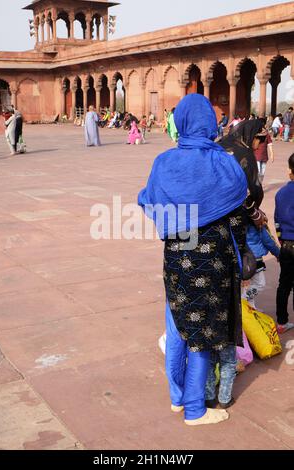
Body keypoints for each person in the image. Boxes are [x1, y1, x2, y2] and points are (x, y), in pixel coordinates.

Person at [139, 94, 248, 426]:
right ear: (210, 124)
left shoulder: (164, 162)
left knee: (176, 324)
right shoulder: (224, 163)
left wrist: (179, 215)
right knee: (202, 333)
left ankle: (176, 398)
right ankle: (196, 410)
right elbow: (239, 210)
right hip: (212, 260)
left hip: (176, 256)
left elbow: (148, 200)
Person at [275, 153, 294, 334]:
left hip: (287, 244)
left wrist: (282, 240)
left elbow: (277, 221)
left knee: (284, 284)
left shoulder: (281, 193)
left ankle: (281, 321)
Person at [244, 222, 280, 309]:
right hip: (254, 258)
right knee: (260, 284)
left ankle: (251, 307)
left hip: (241, 257)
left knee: (249, 283)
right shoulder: (258, 222)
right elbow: (268, 241)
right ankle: (243, 298)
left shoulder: (237, 220)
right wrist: (278, 254)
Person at [205, 344, 237, 410]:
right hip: (227, 337)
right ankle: (224, 399)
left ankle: (209, 398)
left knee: (209, 362)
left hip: (208, 336)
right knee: (228, 363)